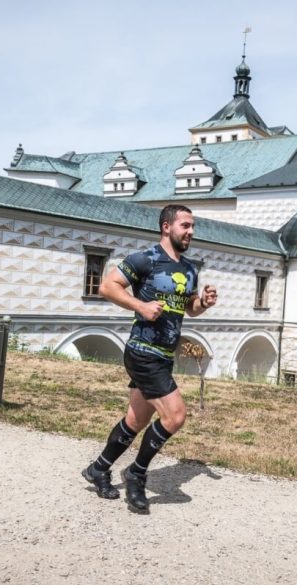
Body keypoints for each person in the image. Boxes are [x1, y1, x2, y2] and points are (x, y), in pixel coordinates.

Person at [82, 204, 218, 513]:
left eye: (193, 226)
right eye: (185, 225)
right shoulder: (144, 259)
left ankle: (98, 469)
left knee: (138, 419)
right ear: (166, 227)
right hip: (143, 352)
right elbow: (107, 286)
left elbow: (188, 308)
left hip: (164, 354)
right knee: (176, 416)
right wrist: (139, 307)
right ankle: (137, 473)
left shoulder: (188, 268)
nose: (191, 231)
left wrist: (203, 303)